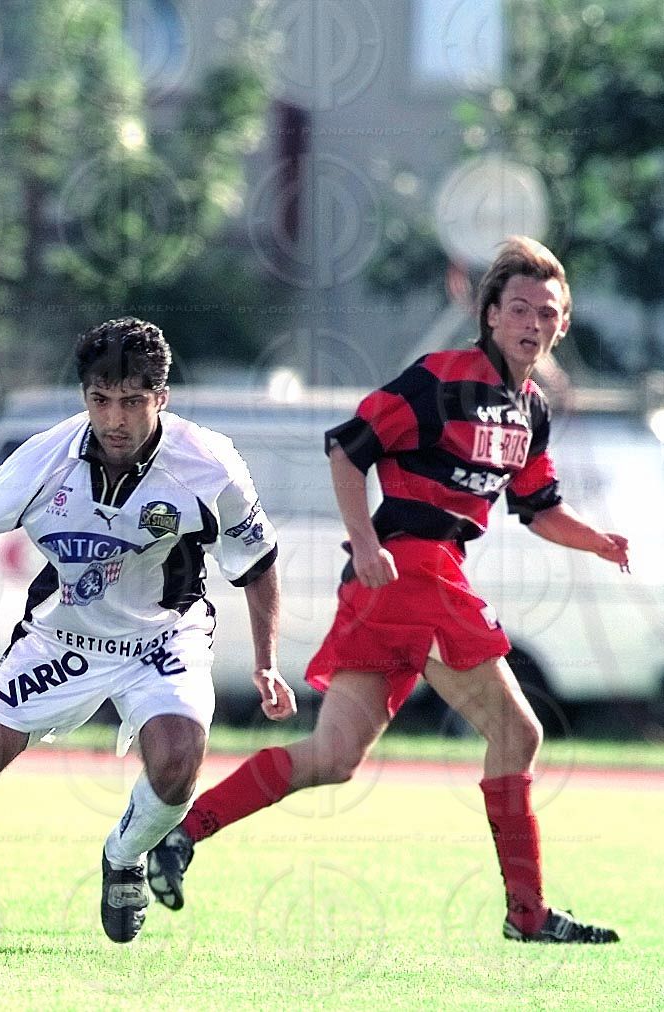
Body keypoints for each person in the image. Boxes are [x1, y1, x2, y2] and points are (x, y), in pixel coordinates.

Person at [148, 236, 628, 945]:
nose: (534, 321)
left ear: (562, 325)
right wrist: (366, 541)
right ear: (491, 314)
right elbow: (348, 447)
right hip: (412, 570)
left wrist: (598, 542)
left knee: (333, 758)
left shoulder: (530, 410)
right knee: (518, 733)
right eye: (520, 307)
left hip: (399, 583)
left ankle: (182, 834)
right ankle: (527, 915)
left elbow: (540, 507)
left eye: (548, 312)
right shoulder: (442, 378)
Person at [0, 317, 295, 943]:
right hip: (63, 640)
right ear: (85, 395)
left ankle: (124, 855)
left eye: (132, 401)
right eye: (100, 399)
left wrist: (266, 662)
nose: (115, 419)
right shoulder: (43, 458)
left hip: (164, 637)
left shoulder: (209, 466)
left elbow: (259, 564)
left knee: (177, 763)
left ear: (161, 398)